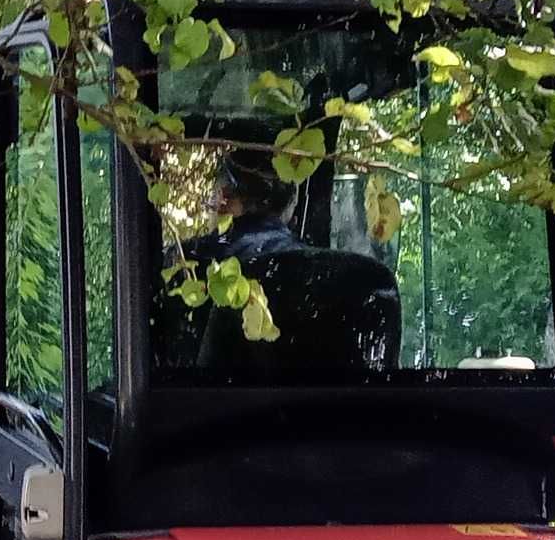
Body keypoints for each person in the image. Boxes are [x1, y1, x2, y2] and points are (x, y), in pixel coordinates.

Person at [156, 145, 399, 375]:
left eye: (210, 200)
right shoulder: (336, 278)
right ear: (290, 208)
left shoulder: (185, 265)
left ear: (223, 198)